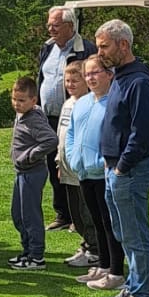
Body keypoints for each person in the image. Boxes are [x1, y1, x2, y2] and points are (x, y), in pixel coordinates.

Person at [97, 18, 149, 297]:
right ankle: (133, 287)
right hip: (115, 168)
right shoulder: (122, 75)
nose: (100, 52)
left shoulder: (139, 81)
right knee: (123, 233)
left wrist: (121, 167)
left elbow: (141, 132)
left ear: (123, 44)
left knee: (136, 237)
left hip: (130, 170)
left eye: (105, 46)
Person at [38, 7, 98, 230]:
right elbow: (42, 78)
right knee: (55, 165)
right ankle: (63, 214)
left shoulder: (85, 49)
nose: (50, 29)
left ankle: (80, 216)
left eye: (55, 25)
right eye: (49, 25)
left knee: (76, 166)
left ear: (70, 26)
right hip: (49, 117)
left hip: (76, 114)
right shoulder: (48, 48)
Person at [74, 55, 125, 292]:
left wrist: (103, 161)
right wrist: (74, 159)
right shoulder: (82, 102)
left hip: (103, 173)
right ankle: (103, 266)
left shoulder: (113, 102)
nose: (90, 78)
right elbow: (73, 134)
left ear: (109, 74)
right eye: (87, 74)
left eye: (95, 73)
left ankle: (116, 270)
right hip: (84, 172)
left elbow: (118, 137)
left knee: (109, 222)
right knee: (96, 221)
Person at [8, 75, 58, 268]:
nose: (17, 104)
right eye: (14, 99)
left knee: (30, 215)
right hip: (21, 172)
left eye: (21, 100)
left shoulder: (34, 118)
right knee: (18, 214)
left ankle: (37, 256)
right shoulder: (22, 115)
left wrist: (30, 155)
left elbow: (51, 140)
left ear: (33, 100)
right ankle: (27, 251)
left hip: (32, 172)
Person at [54, 55, 96, 268]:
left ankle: (94, 249)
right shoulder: (67, 104)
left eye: (75, 80)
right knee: (76, 213)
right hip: (66, 168)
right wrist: (58, 162)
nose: (70, 84)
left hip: (82, 169)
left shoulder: (89, 104)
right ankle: (86, 244)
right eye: (67, 81)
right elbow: (61, 135)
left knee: (87, 212)